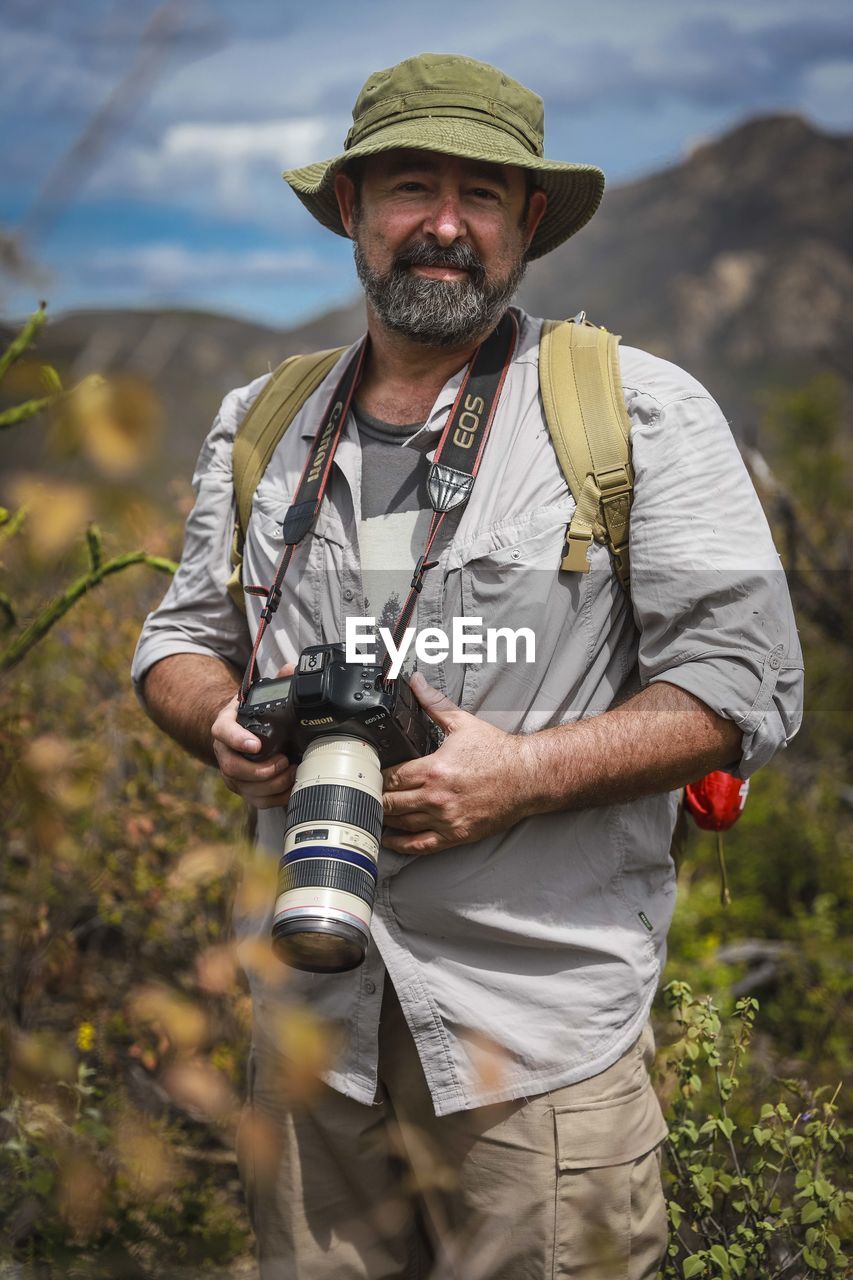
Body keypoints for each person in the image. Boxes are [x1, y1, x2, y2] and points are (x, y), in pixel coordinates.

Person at [132, 52, 803, 1280]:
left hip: (534, 1040)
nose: (443, 223)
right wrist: (222, 718)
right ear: (349, 206)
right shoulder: (262, 423)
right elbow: (177, 641)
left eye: (481, 194)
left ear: (527, 221)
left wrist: (519, 776)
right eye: (407, 185)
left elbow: (747, 683)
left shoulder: (639, 412)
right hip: (305, 1036)